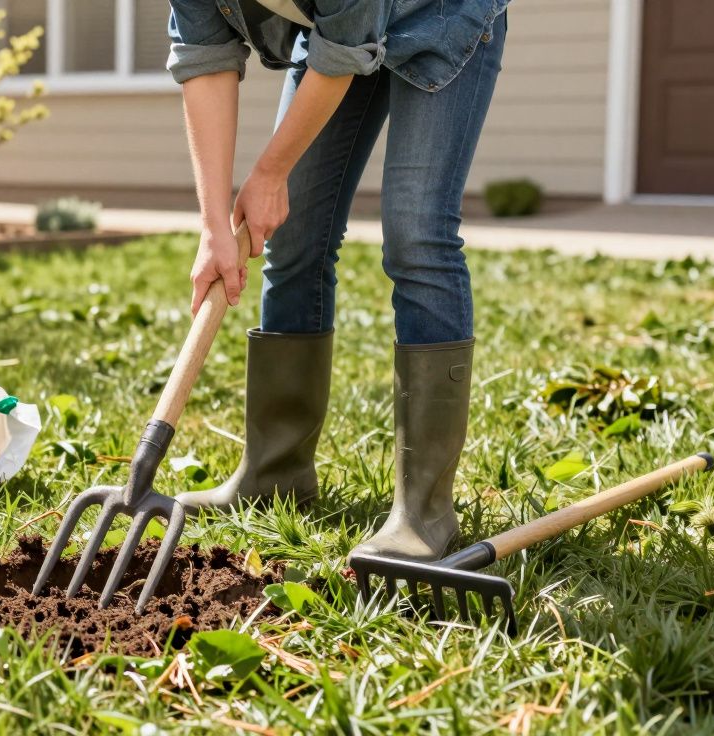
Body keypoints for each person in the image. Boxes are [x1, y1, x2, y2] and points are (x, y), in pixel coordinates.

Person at [166, 0, 509, 562]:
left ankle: (424, 512)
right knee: (295, 235)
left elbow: (346, 44)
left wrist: (271, 173)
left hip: (441, 14)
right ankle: (275, 473)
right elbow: (204, 57)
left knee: (418, 235)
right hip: (337, 33)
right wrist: (212, 226)